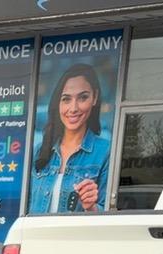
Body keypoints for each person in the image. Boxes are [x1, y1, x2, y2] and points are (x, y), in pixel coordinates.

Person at [28, 64, 111, 214]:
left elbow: (111, 218)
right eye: (66, 99)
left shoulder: (106, 152)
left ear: (95, 98)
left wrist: (91, 207)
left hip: (75, 238)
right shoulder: (39, 150)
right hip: (37, 237)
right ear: (58, 103)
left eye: (83, 97)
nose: (73, 108)